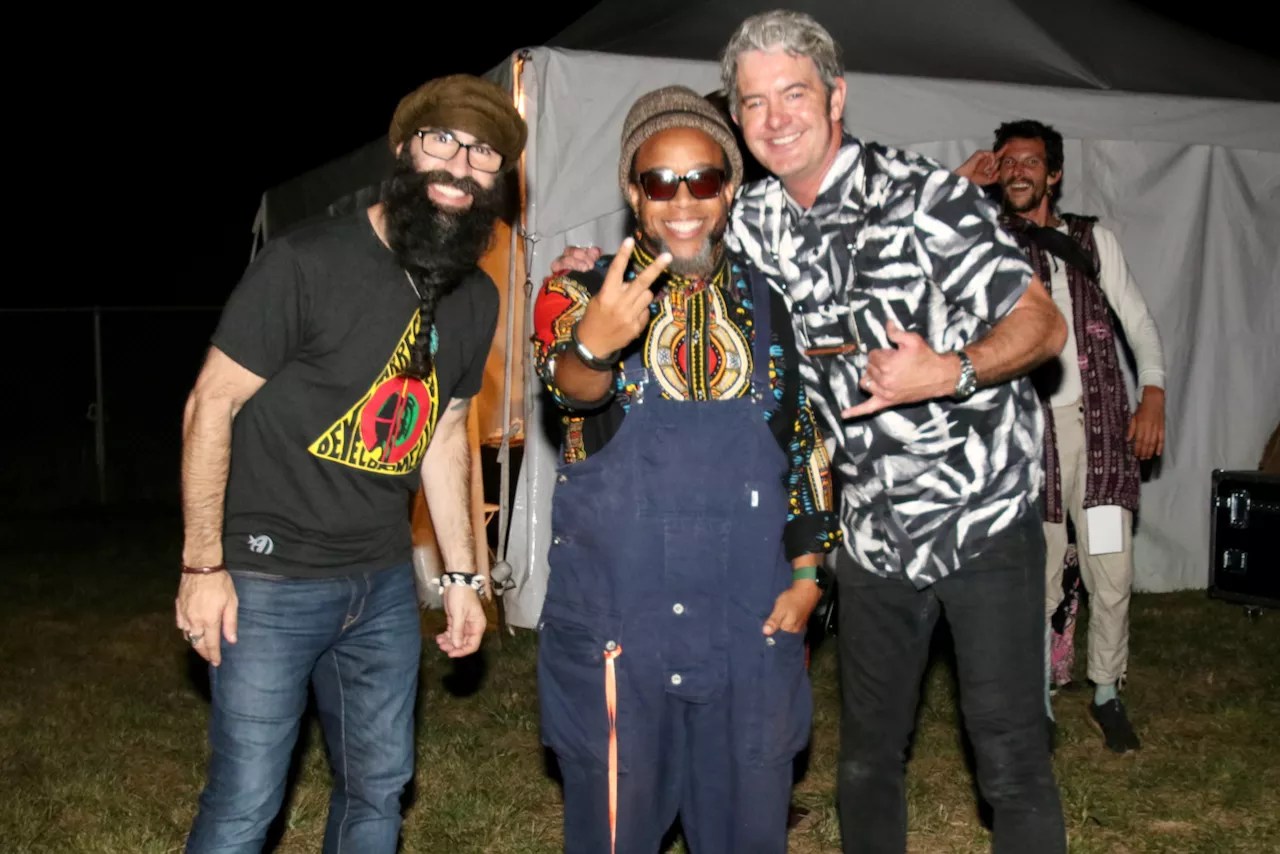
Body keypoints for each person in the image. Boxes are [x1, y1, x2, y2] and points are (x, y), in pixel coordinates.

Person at [719, 10, 1069, 853]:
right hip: (872, 532)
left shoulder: (924, 196)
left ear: (835, 97)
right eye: (755, 101)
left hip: (981, 515)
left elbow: (1042, 322)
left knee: (1010, 759)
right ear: (737, 116)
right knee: (867, 758)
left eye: (794, 94)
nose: (776, 118)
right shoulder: (751, 223)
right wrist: (591, 272)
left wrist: (950, 370)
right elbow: (686, 279)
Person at [173, 73, 525, 853]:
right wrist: (202, 566)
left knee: (379, 789)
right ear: (403, 151)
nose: (461, 165)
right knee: (245, 805)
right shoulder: (306, 262)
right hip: (267, 582)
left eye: (484, 153)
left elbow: (445, 432)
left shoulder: (475, 297)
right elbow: (210, 405)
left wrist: (463, 578)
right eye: (443, 140)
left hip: (383, 585)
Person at [531, 84, 840, 853]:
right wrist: (596, 345)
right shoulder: (574, 291)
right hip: (619, 624)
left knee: (746, 828)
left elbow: (803, 443)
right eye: (659, 181)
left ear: (729, 190)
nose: (682, 201)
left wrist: (810, 575)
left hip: (747, 621)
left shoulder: (771, 305)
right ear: (633, 193)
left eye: (702, 179)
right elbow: (567, 389)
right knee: (613, 830)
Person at [957, 119, 1166, 752]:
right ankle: (1038, 701)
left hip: (1099, 435)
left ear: (1054, 174)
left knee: (1110, 567)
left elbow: (1138, 322)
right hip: (1027, 440)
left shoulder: (1092, 241)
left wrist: (1153, 393)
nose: (1018, 170)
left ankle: (1106, 692)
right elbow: (912, 244)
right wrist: (962, 185)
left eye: (1031, 161)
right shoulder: (983, 240)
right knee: (1037, 575)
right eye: (1007, 161)